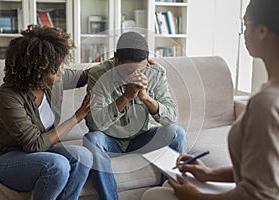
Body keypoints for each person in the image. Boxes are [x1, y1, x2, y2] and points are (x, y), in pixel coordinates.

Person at [141, 0, 279, 199]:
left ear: (262, 31)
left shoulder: (266, 104)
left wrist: (197, 197)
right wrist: (211, 173)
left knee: (154, 196)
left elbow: (258, 194)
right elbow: (265, 171)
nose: (243, 34)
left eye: (246, 25)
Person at [0, 24, 93, 200]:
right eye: (56, 68)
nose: (62, 71)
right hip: (5, 158)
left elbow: (87, 75)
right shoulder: (8, 97)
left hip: (40, 155)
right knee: (57, 165)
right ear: (38, 70)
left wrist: (123, 62)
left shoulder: (52, 83)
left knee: (83, 156)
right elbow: (35, 145)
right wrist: (76, 117)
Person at [83, 31, 187, 200]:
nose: (137, 75)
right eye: (129, 70)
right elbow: (95, 124)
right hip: (110, 140)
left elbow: (171, 117)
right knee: (91, 139)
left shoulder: (155, 73)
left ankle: (166, 194)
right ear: (116, 58)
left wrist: (145, 98)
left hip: (141, 137)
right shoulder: (98, 74)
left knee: (177, 133)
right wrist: (126, 97)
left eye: (142, 68)